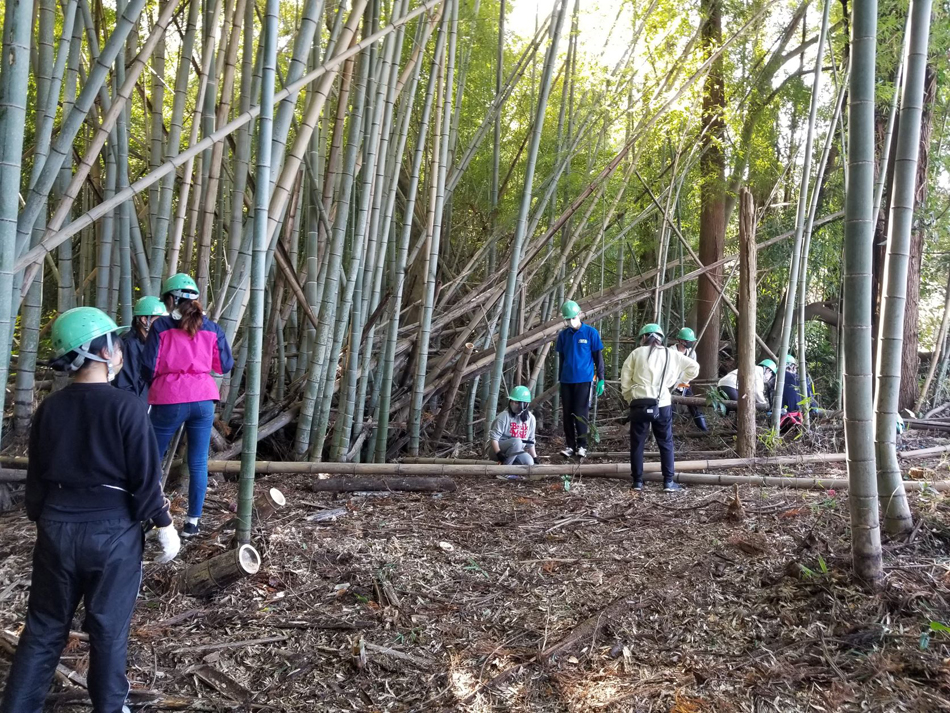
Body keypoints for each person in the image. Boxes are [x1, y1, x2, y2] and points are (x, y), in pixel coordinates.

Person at [1, 307, 180, 713]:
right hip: (113, 533)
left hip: (57, 528)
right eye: (115, 344)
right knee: (107, 630)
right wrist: (164, 524)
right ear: (100, 351)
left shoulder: (50, 409)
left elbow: (37, 479)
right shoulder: (128, 407)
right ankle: (111, 707)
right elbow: (144, 479)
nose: (120, 350)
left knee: (44, 628)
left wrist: (45, 520)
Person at [143, 273, 234, 539]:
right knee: (197, 462)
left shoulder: (160, 328)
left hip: (169, 397)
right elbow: (224, 365)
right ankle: (193, 522)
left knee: (152, 460)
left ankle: (151, 516)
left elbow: (148, 366)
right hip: (204, 400)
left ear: (171, 299)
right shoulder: (213, 328)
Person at [621, 323, 699, 492]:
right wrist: (677, 382)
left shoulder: (635, 353)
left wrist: (630, 399)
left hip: (639, 403)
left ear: (644, 337)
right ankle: (668, 482)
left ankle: (637, 482)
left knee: (637, 443)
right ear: (660, 338)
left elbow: (625, 381)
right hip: (661, 403)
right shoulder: (670, 354)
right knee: (665, 442)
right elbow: (694, 367)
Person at [555, 300, 605, 459]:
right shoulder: (563, 335)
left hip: (584, 379)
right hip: (566, 380)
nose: (570, 321)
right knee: (567, 414)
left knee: (581, 413)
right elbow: (562, 358)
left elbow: (598, 358)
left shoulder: (591, 333)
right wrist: (560, 379)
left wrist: (601, 379)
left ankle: (582, 446)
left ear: (579, 315)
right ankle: (570, 445)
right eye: (567, 319)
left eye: (572, 318)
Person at [114, 295, 168, 403]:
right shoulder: (130, 344)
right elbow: (124, 385)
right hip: (133, 406)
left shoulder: (152, 342)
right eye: (160, 321)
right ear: (144, 319)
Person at [489, 386, 538, 471]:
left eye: (517, 402)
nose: (514, 404)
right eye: (512, 401)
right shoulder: (504, 416)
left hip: (515, 450)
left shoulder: (531, 419)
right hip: (496, 449)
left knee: (528, 462)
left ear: (525, 404)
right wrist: (498, 453)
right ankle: (504, 471)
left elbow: (530, 441)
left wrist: (535, 458)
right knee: (517, 441)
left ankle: (506, 466)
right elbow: (494, 438)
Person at [671, 327, 708, 432]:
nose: (690, 343)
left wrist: (684, 382)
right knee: (670, 408)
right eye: (688, 341)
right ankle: (667, 430)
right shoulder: (671, 352)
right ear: (680, 341)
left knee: (693, 404)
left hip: (684, 383)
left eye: (691, 341)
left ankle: (704, 430)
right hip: (671, 384)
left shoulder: (692, 353)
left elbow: (692, 370)